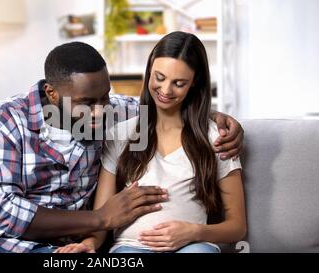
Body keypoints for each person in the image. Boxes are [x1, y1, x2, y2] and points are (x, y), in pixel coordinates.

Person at [0, 41, 244, 253]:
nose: (102, 110)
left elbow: (166, 108)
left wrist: (215, 118)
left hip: (56, 248)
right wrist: (100, 219)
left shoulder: (115, 114)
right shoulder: (3, 119)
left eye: (105, 96)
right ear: (53, 94)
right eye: (88, 103)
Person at [55, 32, 246, 254]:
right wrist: (88, 245)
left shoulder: (216, 137)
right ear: (148, 74)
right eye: (159, 78)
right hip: (131, 247)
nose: (165, 91)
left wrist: (194, 232)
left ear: (195, 83)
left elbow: (237, 226)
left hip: (194, 245)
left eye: (179, 83)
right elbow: (103, 217)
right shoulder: (121, 133)